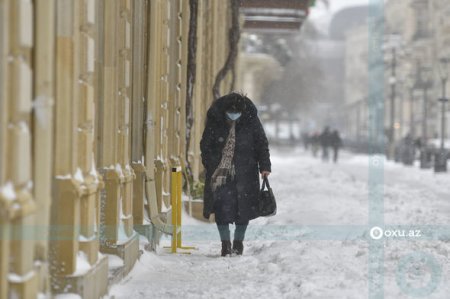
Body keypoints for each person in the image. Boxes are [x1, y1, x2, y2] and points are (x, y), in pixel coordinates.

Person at [200, 92, 272, 257]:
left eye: (237, 112)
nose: (233, 115)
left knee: (243, 209)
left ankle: (238, 243)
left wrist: (265, 166)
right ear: (225, 111)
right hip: (220, 174)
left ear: (242, 111)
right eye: (230, 112)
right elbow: (206, 145)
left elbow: (261, 142)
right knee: (221, 208)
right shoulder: (215, 121)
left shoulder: (251, 120)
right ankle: (225, 244)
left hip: (245, 171)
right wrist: (211, 164)